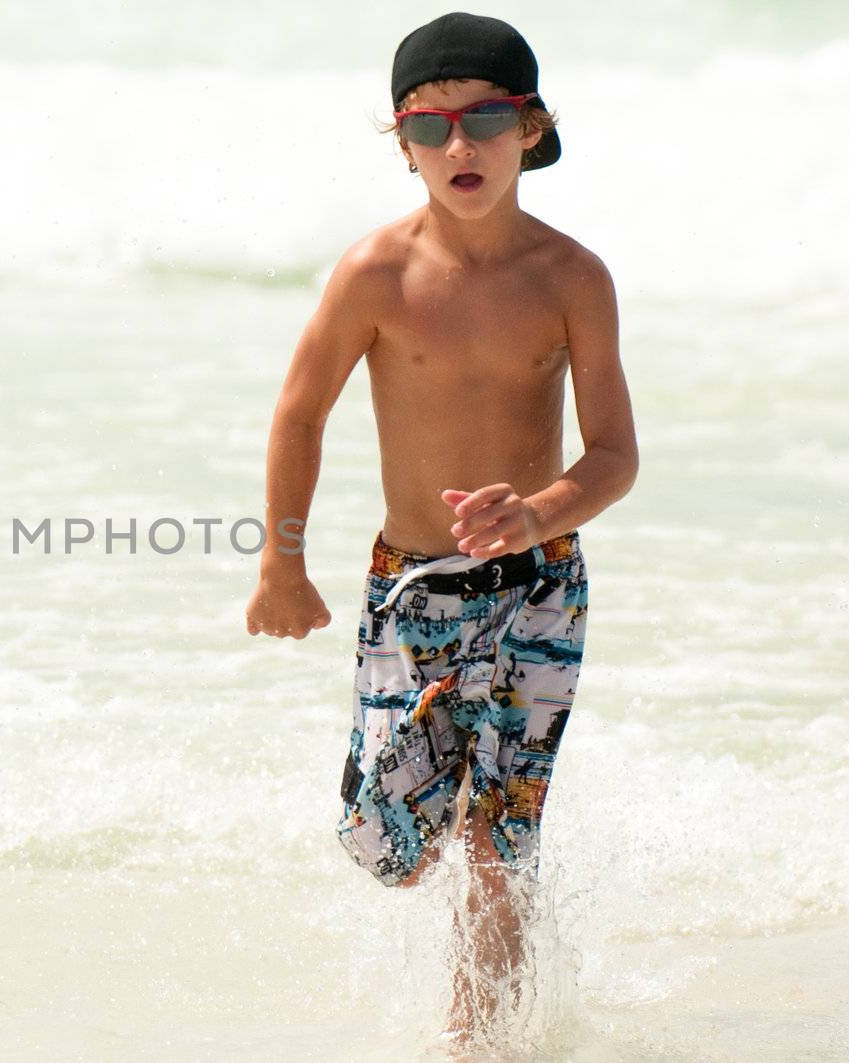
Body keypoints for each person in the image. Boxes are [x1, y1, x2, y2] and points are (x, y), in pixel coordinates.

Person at [243, 11, 638, 1048]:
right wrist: (280, 563)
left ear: (532, 128)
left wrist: (535, 512)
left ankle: (479, 1040)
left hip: (539, 586)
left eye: (487, 119)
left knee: (503, 840)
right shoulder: (376, 273)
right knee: (396, 845)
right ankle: (428, 840)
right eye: (430, 127)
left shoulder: (571, 279)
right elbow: (298, 413)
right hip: (412, 587)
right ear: (402, 141)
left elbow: (610, 458)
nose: (459, 147)